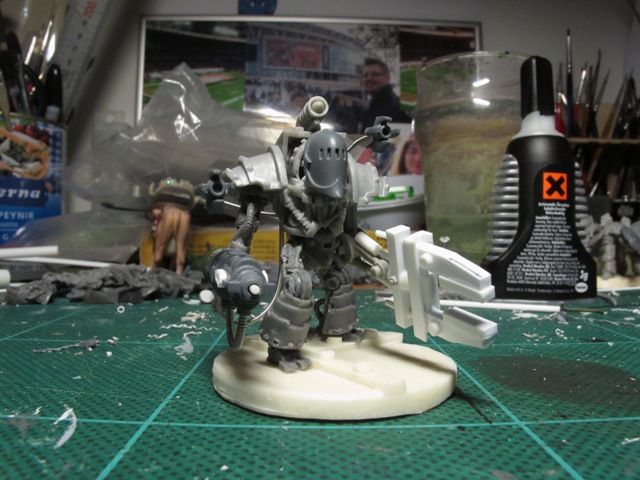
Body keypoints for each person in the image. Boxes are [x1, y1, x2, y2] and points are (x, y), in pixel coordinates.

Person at [359, 58, 411, 132]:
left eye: (375, 74)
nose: (369, 78)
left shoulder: (399, 109)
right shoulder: (369, 111)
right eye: (365, 75)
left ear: (388, 77)